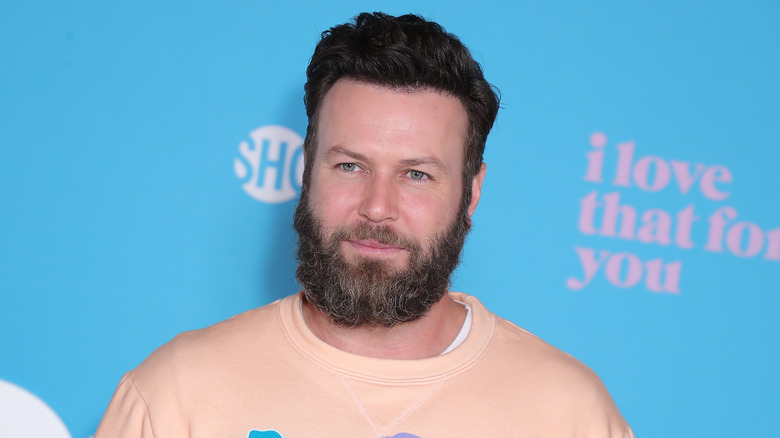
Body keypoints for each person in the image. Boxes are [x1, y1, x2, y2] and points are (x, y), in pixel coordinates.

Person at [96, 12, 633, 437]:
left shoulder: (569, 416)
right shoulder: (176, 397)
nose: (377, 207)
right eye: (350, 166)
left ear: (471, 193)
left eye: (417, 175)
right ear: (306, 171)